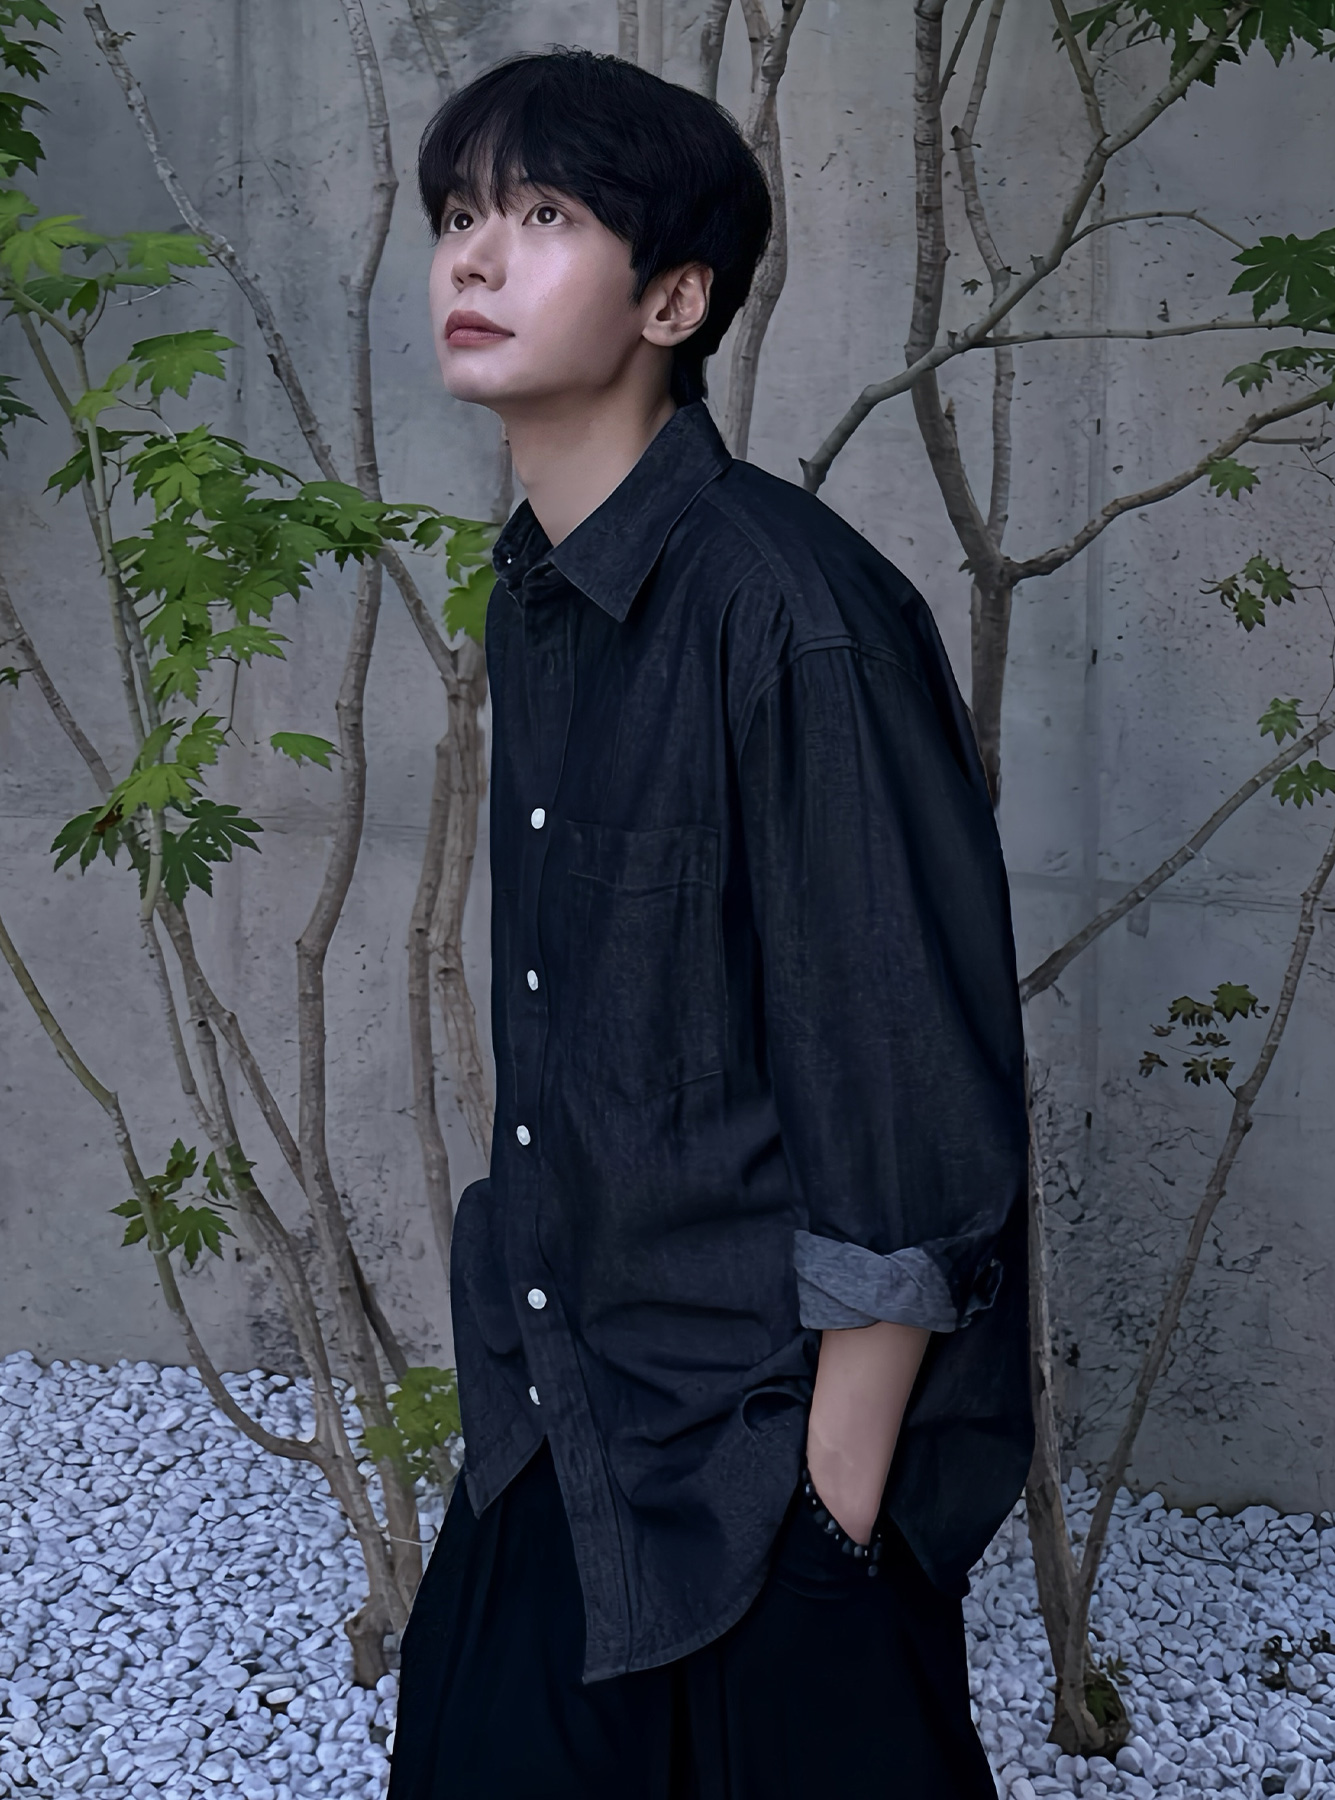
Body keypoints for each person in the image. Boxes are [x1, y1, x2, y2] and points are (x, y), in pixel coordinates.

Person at [388, 46, 1032, 1800]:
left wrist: (833, 1514)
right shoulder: (540, 594)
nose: (473, 256)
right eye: (459, 215)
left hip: (761, 1473)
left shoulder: (795, 618)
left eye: (543, 216)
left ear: (673, 299)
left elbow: (906, 1110)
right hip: (563, 1399)